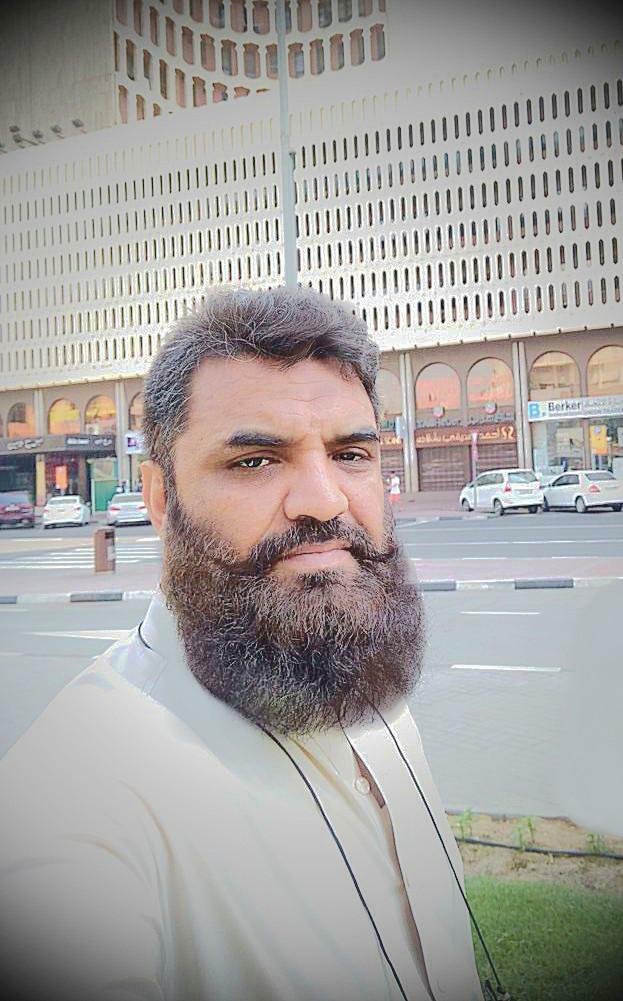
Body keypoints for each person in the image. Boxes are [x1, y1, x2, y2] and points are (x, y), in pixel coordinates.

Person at [0, 288, 482, 1001]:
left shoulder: (359, 681)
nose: (324, 499)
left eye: (350, 453)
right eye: (256, 460)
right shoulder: (74, 798)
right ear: (160, 499)